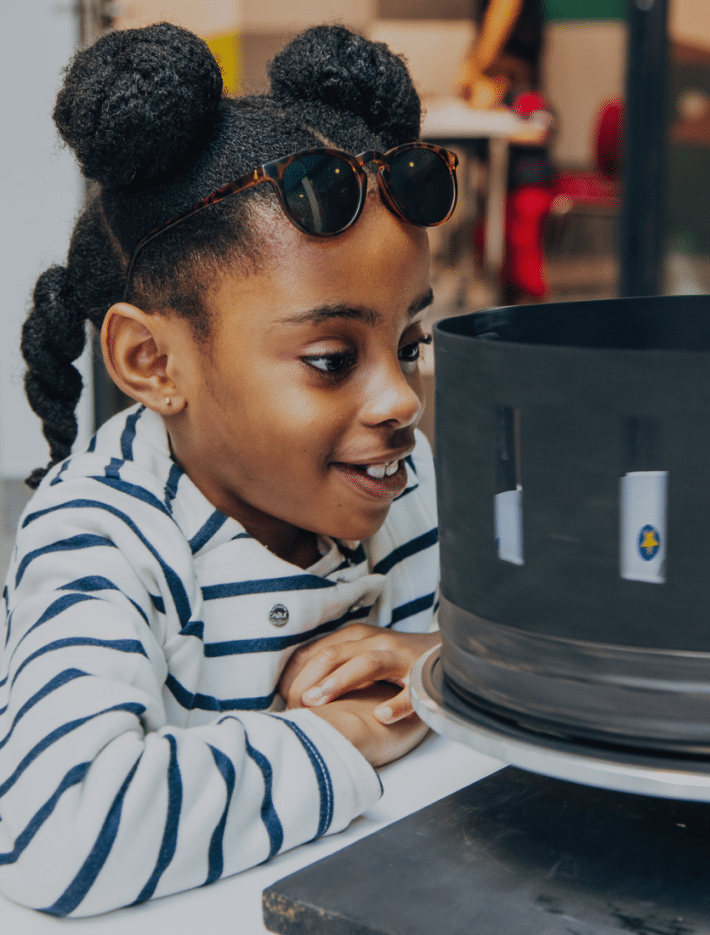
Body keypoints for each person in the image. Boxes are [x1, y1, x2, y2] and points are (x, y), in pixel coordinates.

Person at [0, 22, 456, 916]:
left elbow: (482, 658)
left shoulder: (392, 476)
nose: (399, 400)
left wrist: (437, 662)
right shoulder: (103, 530)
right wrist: (330, 742)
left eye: (408, 344)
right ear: (151, 364)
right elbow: (55, 829)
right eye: (331, 358)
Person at [459, 0, 556, 302]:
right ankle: (506, 285)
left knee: (519, 231)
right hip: (511, 175)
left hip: (529, 180)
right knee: (495, 223)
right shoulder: (518, 100)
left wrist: (474, 72)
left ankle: (526, 290)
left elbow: (543, 129)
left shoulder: (526, 101)